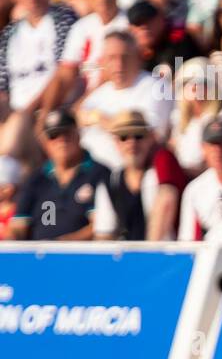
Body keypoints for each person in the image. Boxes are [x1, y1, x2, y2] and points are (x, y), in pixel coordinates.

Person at [0, 0, 80, 161]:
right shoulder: (10, 33)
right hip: (16, 111)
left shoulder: (64, 19)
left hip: (52, 107)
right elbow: (2, 86)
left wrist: (29, 111)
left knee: (18, 124)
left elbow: (64, 72)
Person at [76, 32, 173, 170]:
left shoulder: (156, 86)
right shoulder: (98, 94)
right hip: (91, 171)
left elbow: (150, 135)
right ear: (102, 61)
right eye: (112, 58)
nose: (119, 64)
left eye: (125, 57)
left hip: (134, 171)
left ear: (138, 58)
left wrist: (98, 118)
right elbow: (77, 118)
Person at [8, 108, 109, 240]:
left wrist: (63, 245)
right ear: (45, 143)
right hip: (38, 256)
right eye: (53, 135)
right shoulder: (36, 179)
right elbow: (19, 225)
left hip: (83, 256)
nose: (61, 140)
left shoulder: (99, 173)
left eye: (67, 133)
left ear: (78, 134)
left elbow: (102, 227)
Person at [92, 109, 186, 240]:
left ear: (150, 138)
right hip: (127, 257)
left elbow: (166, 201)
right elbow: (104, 234)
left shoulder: (163, 163)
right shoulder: (111, 181)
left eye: (138, 136)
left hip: (164, 256)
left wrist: (149, 254)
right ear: (116, 143)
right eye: (124, 137)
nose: (132, 143)